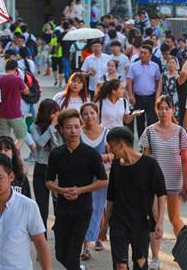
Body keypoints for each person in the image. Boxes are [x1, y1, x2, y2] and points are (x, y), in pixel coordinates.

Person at [46, 109, 108, 269]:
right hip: (62, 209)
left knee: (73, 253)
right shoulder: (56, 154)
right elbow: (49, 181)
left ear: (80, 127)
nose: (73, 131)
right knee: (60, 253)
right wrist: (61, 191)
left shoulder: (91, 154)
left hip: (83, 209)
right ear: (61, 129)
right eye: (68, 127)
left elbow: (103, 181)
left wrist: (80, 190)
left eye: (76, 127)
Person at [139, 95, 187, 270]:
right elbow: (145, 158)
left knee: (174, 218)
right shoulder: (149, 131)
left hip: (174, 180)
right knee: (155, 219)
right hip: (154, 184)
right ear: (156, 110)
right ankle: (155, 257)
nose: (164, 111)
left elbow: (185, 159)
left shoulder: (180, 132)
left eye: (167, 108)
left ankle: (186, 251)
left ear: (172, 110)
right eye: (160, 108)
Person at [106, 127, 167, 270]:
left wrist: (159, 222)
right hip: (118, 221)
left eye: (111, 146)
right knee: (120, 265)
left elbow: (161, 193)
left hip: (141, 222)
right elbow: (111, 197)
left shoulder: (149, 164)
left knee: (140, 263)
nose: (110, 150)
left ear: (121, 145)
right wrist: (104, 225)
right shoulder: (115, 165)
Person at [79, 103, 114, 261]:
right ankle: (87, 245)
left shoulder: (105, 133)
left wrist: (102, 157)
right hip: (82, 177)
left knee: (98, 208)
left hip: (101, 177)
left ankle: (96, 238)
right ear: (81, 116)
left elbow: (114, 153)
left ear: (97, 114)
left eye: (92, 113)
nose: (89, 117)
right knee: (87, 209)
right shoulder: (78, 132)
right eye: (85, 114)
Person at [30, 99, 63, 234]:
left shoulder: (61, 127)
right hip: (41, 169)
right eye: (53, 112)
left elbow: (61, 147)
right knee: (41, 208)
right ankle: (41, 242)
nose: (56, 115)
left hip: (58, 170)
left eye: (57, 112)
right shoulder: (34, 127)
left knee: (59, 207)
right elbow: (40, 143)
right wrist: (51, 127)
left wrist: (56, 128)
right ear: (45, 113)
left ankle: (61, 238)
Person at [127, 44, 162, 137]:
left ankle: (151, 141)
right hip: (138, 97)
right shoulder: (133, 66)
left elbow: (159, 81)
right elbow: (129, 81)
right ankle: (142, 143)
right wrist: (131, 95)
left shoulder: (155, 66)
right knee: (139, 121)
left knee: (152, 120)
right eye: (141, 53)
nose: (141, 55)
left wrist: (157, 96)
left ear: (150, 55)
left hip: (151, 97)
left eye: (144, 53)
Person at [0, 59, 30, 151]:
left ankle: (5, 154)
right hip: (15, 113)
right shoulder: (17, 79)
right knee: (22, 134)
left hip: (2, 113)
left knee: (4, 138)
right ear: (16, 68)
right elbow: (26, 91)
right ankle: (13, 153)